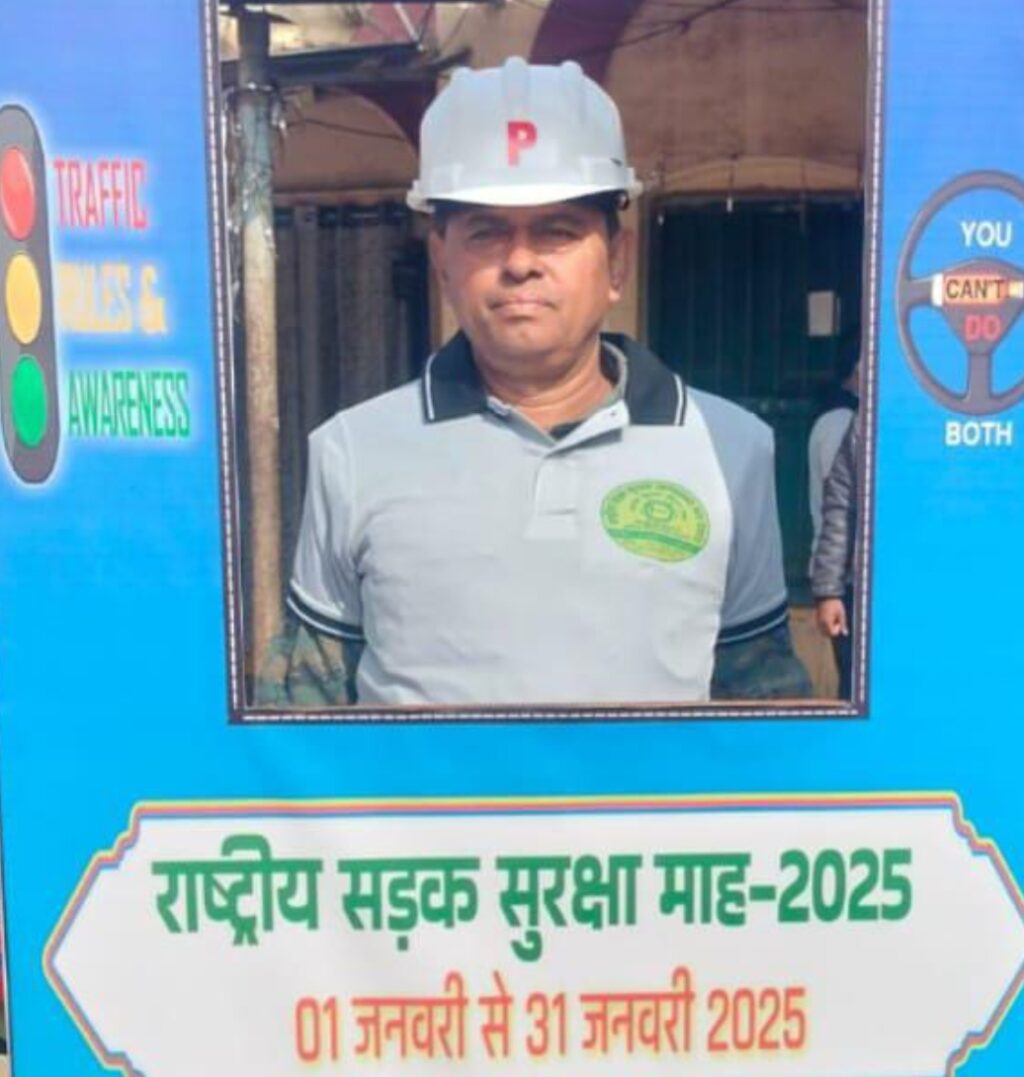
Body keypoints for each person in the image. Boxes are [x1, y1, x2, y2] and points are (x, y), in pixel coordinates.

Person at [258, 57, 809, 708]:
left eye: (557, 232)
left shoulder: (731, 449)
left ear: (617, 260)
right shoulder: (352, 451)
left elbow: (762, 710)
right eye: (487, 232)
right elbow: (302, 710)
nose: (520, 262)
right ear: (441, 261)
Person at [811, 415, 858, 698]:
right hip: (865, 588)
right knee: (856, 687)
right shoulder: (865, 424)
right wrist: (829, 591)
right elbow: (840, 507)